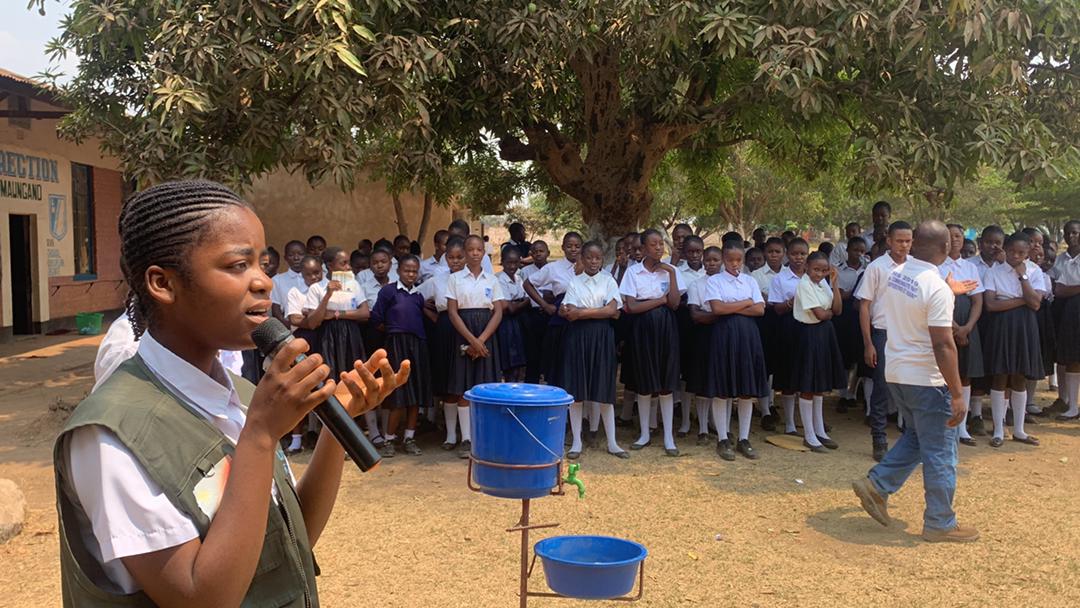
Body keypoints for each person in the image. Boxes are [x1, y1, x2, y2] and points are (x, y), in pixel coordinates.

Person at [56, 180, 407, 605]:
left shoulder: (240, 395)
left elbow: (291, 540)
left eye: (262, 264)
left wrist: (337, 423)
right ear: (163, 283)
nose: (263, 282)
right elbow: (204, 598)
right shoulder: (110, 435)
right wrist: (259, 436)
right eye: (238, 265)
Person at [851, 220, 979, 543]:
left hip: (897, 373)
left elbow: (917, 304)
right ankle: (940, 522)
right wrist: (956, 392)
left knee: (919, 438)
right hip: (927, 379)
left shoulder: (899, 275)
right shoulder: (934, 287)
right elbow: (943, 343)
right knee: (940, 452)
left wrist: (946, 289)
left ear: (915, 243)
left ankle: (877, 484)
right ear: (946, 248)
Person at [559, 241, 628, 459]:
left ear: (602, 260)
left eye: (597, 258)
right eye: (589, 257)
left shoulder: (608, 281)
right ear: (582, 258)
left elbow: (614, 311)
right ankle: (577, 442)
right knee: (577, 390)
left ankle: (613, 442)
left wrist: (582, 312)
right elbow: (568, 312)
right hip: (578, 338)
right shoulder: (575, 282)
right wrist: (593, 311)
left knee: (604, 390)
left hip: (602, 338)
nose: (593, 262)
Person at [621, 229, 685, 456]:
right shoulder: (633, 272)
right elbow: (632, 306)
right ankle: (645, 433)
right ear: (644, 248)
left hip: (667, 329)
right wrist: (660, 300)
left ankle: (668, 436)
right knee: (645, 382)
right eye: (654, 244)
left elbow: (675, 304)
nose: (659, 248)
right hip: (642, 330)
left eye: (661, 244)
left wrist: (672, 274)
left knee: (666, 383)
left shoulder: (671, 271)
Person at [703, 241, 769, 461]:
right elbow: (717, 308)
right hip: (723, 337)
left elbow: (759, 309)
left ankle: (743, 438)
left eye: (738, 259)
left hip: (748, 338)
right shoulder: (715, 281)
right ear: (723, 259)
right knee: (723, 388)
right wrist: (745, 302)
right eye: (730, 259)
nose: (734, 264)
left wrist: (735, 305)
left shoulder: (749, 280)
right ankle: (723, 438)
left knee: (746, 389)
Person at [856, 221, 913, 461]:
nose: (904, 246)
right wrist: (868, 343)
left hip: (910, 335)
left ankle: (911, 438)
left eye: (908, 241)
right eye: (899, 241)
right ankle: (878, 437)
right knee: (881, 387)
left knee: (910, 387)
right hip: (883, 334)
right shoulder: (877, 268)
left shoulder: (918, 269)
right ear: (889, 241)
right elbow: (864, 306)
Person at [982, 232, 1045, 447]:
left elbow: (1036, 304)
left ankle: (1019, 429)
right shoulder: (994, 272)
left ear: (1028, 253)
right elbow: (991, 305)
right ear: (1005, 250)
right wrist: (1023, 300)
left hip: (1025, 326)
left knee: (1019, 376)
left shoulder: (1035, 271)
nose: (1016, 256)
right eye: (1012, 252)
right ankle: (999, 430)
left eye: (1021, 253)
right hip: (1001, 325)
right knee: (1000, 375)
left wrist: (1022, 276)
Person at [446, 235, 505, 458]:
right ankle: (466, 439)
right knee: (464, 387)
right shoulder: (455, 279)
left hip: (486, 334)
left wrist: (482, 340)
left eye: (479, 250)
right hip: (463, 331)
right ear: (465, 252)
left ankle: (485, 437)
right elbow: (452, 312)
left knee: (485, 387)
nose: (474, 253)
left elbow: (498, 311)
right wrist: (471, 340)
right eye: (470, 250)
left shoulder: (492, 280)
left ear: (484, 252)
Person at [370, 255, 431, 457]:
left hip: (417, 346)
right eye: (407, 270)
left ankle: (409, 437)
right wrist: (393, 333)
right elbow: (376, 318)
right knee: (398, 394)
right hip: (396, 345)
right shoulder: (388, 291)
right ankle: (389, 439)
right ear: (398, 271)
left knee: (415, 395)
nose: (411, 274)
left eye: (414, 271)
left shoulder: (418, 296)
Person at [791, 252, 846, 453]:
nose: (820, 274)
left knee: (820, 385)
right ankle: (809, 434)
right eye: (816, 269)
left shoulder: (823, 284)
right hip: (809, 334)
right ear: (806, 267)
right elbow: (821, 314)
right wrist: (828, 314)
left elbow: (837, 310)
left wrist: (835, 283)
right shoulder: (804, 285)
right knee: (808, 384)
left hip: (824, 334)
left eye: (824, 270)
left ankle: (820, 430)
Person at [420, 237, 467, 450]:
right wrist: (435, 318)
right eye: (451, 257)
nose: (455, 261)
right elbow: (416, 297)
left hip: (467, 329)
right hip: (445, 331)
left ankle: (467, 436)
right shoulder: (437, 280)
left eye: (460, 257)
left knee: (465, 384)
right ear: (445, 258)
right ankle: (450, 436)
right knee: (449, 384)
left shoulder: (472, 279)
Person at [939, 224, 985, 447]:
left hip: (968, 326)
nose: (954, 240)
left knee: (965, 374)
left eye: (957, 236)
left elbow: (977, 300)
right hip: (944, 325)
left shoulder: (970, 267)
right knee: (946, 374)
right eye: (950, 236)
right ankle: (946, 424)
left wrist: (966, 327)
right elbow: (936, 301)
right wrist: (954, 327)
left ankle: (962, 426)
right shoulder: (936, 267)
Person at [523, 232, 583, 387]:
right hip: (560, 320)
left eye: (577, 246)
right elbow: (528, 284)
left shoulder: (590, 266)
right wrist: (544, 305)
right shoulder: (554, 268)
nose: (573, 249)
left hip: (583, 319)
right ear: (563, 247)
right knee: (559, 364)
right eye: (569, 246)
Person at [768, 238, 811, 437]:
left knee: (806, 376)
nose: (798, 258)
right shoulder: (780, 278)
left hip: (809, 327)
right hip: (788, 327)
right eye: (794, 254)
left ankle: (809, 423)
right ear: (787, 255)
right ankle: (790, 423)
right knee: (788, 376)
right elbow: (776, 308)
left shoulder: (813, 276)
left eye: (802, 254)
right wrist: (792, 302)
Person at [685, 246, 723, 445]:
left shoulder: (730, 283)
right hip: (703, 336)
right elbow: (695, 315)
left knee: (720, 383)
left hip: (725, 336)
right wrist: (721, 314)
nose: (711, 263)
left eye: (716, 260)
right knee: (702, 383)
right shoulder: (696, 285)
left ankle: (718, 425)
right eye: (708, 260)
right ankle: (702, 429)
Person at [752, 237, 786, 430]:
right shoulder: (756, 275)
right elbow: (761, 300)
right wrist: (778, 300)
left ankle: (775, 405)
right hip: (765, 323)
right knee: (766, 367)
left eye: (778, 252)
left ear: (784, 253)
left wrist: (775, 300)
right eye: (770, 251)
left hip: (787, 323)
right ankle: (765, 410)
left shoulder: (791, 274)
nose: (774, 255)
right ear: (765, 253)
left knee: (781, 366)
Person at [677, 235, 707, 436]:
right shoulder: (678, 272)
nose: (695, 255)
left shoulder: (714, 271)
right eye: (691, 251)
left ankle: (706, 423)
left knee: (705, 375)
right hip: (685, 327)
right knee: (686, 376)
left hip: (708, 328)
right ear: (684, 253)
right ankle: (686, 421)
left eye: (699, 251)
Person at [1050, 220, 1080, 420]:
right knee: (1070, 357)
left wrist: (1068, 290)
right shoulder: (1060, 260)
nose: (1072, 236)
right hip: (1067, 312)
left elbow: (1063, 288)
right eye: (1068, 233)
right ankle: (1071, 404)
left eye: (1076, 233)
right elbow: (1056, 289)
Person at [834, 237, 868, 412]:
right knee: (844, 357)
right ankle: (842, 395)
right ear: (847, 250)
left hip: (861, 316)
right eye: (855, 250)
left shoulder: (869, 270)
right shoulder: (839, 271)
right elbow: (839, 295)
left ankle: (852, 393)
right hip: (844, 315)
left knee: (858, 359)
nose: (859, 254)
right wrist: (853, 292)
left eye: (862, 251)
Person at [519, 240, 551, 383]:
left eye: (541, 251)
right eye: (535, 251)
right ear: (530, 254)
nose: (538, 254)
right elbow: (523, 293)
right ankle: (531, 383)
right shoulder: (525, 271)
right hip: (532, 314)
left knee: (550, 350)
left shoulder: (553, 269)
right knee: (533, 352)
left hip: (550, 313)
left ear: (548, 253)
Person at [495, 248, 529, 382]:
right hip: (506, 323)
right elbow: (510, 308)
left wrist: (520, 303)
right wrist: (525, 301)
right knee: (510, 358)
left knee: (520, 359)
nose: (512, 266)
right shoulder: (499, 279)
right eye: (509, 263)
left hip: (520, 322)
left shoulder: (519, 278)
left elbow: (522, 303)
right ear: (502, 262)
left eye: (516, 263)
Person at [270, 240, 306, 324]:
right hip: (289, 325)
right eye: (291, 255)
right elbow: (276, 308)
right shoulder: (277, 280)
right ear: (285, 258)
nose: (296, 258)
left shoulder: (314, 279)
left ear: (306, 255)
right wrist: (286, 325)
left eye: (300, 254)